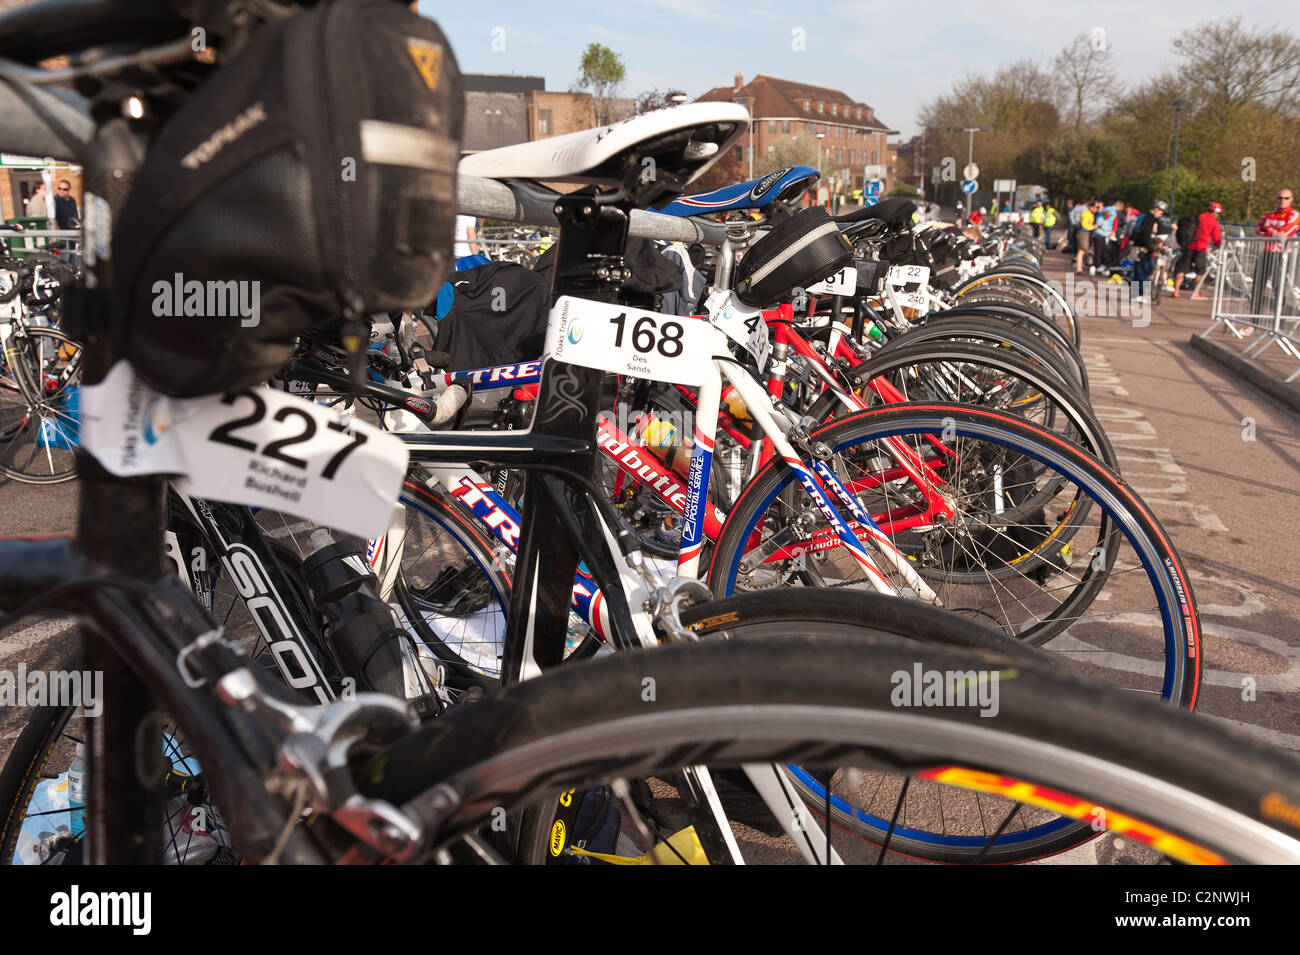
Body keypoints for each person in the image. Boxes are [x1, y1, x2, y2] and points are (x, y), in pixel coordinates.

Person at [1252, 188, 1299, 316]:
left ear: (1291, 199)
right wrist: (1274, 232)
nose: (1282, 201)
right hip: (1265, 252)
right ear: (1276, 199)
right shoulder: (1268, 215)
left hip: (1281, 255)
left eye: (1286, 198)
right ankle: (1253, 321)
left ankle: (1279, 321)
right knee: (1257, 287)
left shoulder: (1294, 215)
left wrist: (1268, 229)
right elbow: (1257, 231)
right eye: (1280, 198)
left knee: (1278, 288)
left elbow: (1285, 233)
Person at [1171, 200, 1223, 299]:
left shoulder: (1197, 217)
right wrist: (1220, 245)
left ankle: (1176, 291)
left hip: (1189, 246)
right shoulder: (1214, 223)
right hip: (1201, 248)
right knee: (1200, 272)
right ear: (1215, 212)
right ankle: (1196, 293)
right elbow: (1217, 239)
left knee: (1181, 269)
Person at [1129, 200, 1167, 299]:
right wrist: (1152, 248)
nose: (1160, 215)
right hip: (1143, 249)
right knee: (1144, 272)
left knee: (1137, 272)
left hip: (1136, 248)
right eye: (1161, 212)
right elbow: (1146, 236)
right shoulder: (1150, 219)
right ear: (1156, 209)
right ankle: (1140, 294)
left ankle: (1135, 294)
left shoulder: (1143, 216)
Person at [1074, 200, 1098, 275]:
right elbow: (1085, 225)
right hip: (1083, 233)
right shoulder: (1086, 213)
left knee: (1081, 251)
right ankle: (1084, 264)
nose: (1096, 209)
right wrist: (1093, 227)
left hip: (1087, 233)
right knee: (1083, 249)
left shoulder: (1091, 214)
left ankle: (1079, 267)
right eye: (1096, 207)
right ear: (1091, 207)